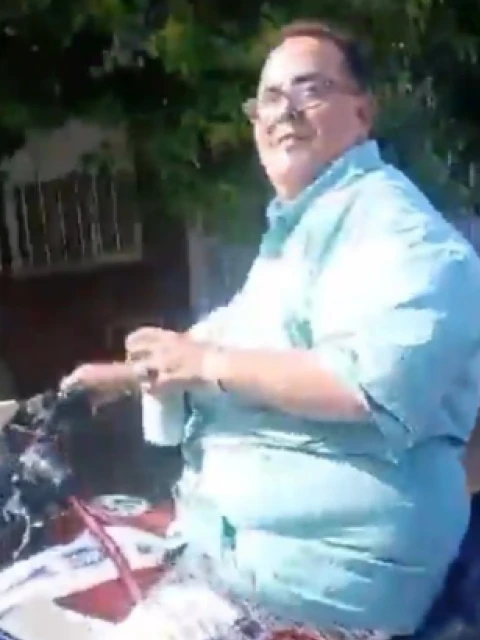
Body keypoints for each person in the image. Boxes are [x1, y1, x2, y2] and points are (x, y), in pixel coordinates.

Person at [62, 19, 480, 640]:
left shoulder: (396, 231)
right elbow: (235, 337)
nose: (285, 111)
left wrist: (204, 365)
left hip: (308, 587)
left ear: (362, 112)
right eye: (269, 98)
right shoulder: (304, 230)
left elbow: (368, 383)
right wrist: (119, 377)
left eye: (310, 90)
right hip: (238, 554)